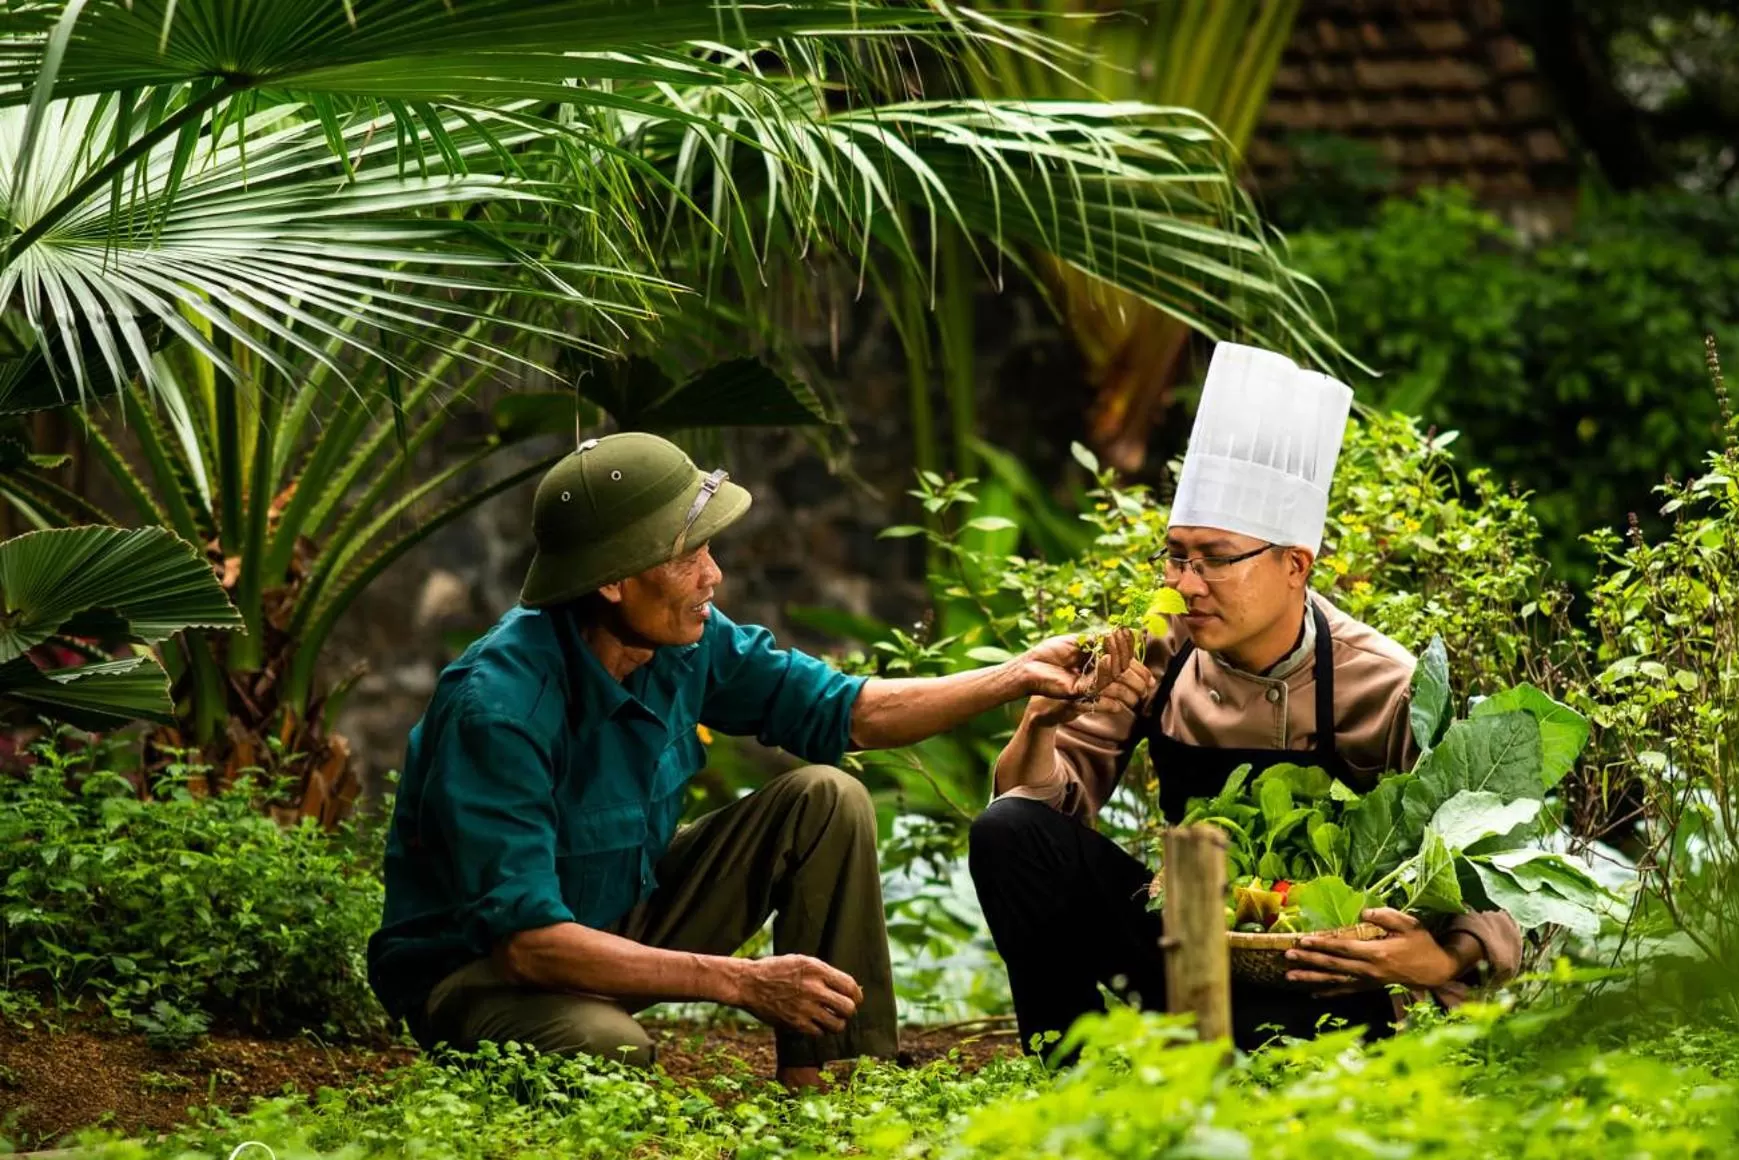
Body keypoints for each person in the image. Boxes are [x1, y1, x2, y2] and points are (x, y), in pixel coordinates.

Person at [367, 432, 1131, 1089]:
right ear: (612, 580)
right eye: (687, 555)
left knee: (824, 799)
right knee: (608, 1047)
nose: (714, 575)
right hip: (485, 973)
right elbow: (530, 943)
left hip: (613, 910)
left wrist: (1015, 675)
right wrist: (740, 981)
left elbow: (848, 711)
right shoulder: (499, 707)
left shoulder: (680, 640)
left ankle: (833, 1074)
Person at [971, 343, 1521, 1055]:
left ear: (1295, 565)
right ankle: (1068, 1077)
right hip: (1185, 944)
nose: (1187, 583)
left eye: (1216, 558)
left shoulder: (1385, 683)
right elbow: (1043, 811)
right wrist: (1044, 720)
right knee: (1004, 830)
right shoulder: (1155, 649)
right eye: (1175, 555)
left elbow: (1496, 867)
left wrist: (1442, 957)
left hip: (1322, 980)